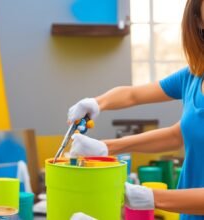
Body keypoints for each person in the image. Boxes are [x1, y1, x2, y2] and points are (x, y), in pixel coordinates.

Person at [67, 0, 204, 219]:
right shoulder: (194, 76)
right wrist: (97, 106)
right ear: (198, 20)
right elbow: (174, 133)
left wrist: (151, 197)